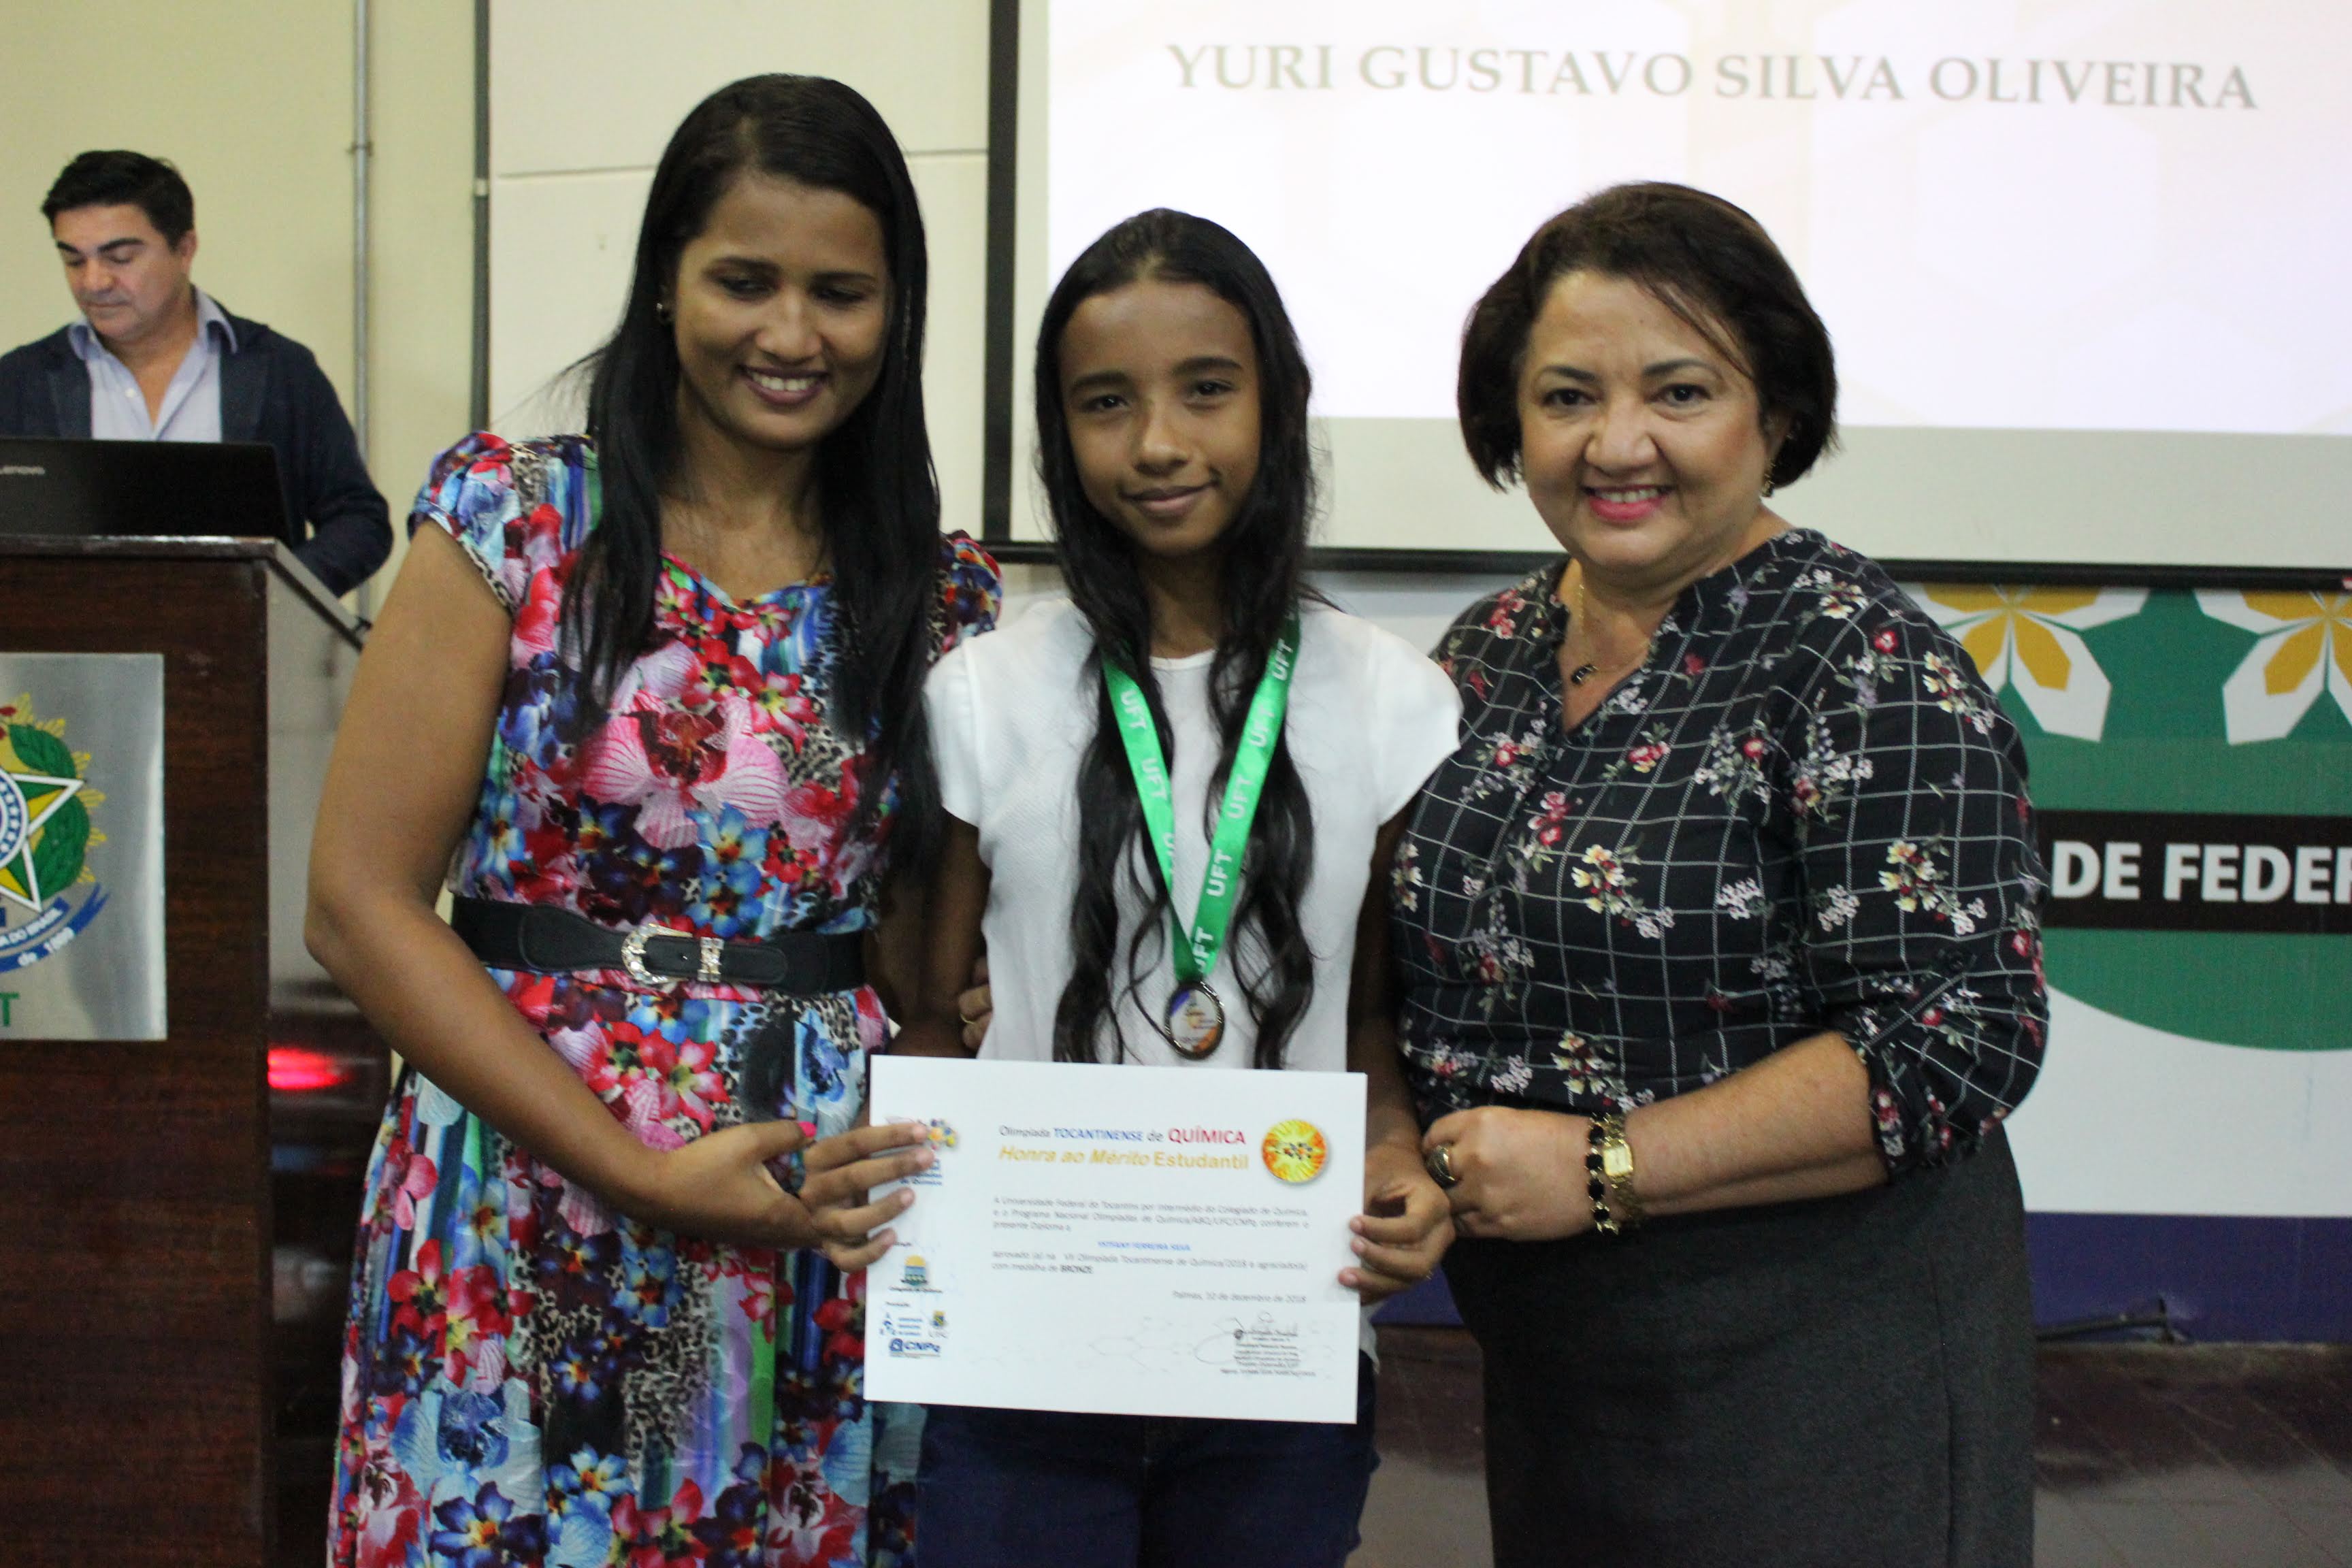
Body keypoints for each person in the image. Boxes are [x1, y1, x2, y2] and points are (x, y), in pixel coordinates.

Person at [303, 76, 999, 1568]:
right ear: (667, 281)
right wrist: (624, 1163)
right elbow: (358, 901)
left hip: (806, 1197)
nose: (792, 335)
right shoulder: (512, 519)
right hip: (530, 1162)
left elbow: (926, 966)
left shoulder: (940, 596)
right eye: (744, 281)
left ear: (898, 310)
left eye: (841, 293)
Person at [1396, 182, 2048, 1567]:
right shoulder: (1488, 648)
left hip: (1818, 1365)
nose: (1617, 444)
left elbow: (1959, 1035)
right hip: (1564, 1364)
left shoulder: (1861, 662)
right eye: (1568, 395)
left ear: (1779, 413)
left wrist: (1608, 1164)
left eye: (1679, 392)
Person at [876, 209, 1460, 1568]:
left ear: (1279, 402)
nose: (1157, 443)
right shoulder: (984, 692)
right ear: (1058, 434)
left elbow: (1374, 1034)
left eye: (1207, 389)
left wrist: (1394, 1168)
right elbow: (923, 1020)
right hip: (1022, 1358)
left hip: (1278, 1352)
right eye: (1105, 403)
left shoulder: (1392, 700)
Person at [0, 150, 391, 595]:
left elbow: (360, 521)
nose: (93, 282)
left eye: (120, 258)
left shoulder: (278, 370)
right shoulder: (20, 383)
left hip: (243, 653)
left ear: (184, 249)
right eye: (73, 260)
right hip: (68, 655)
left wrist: (277, 591)